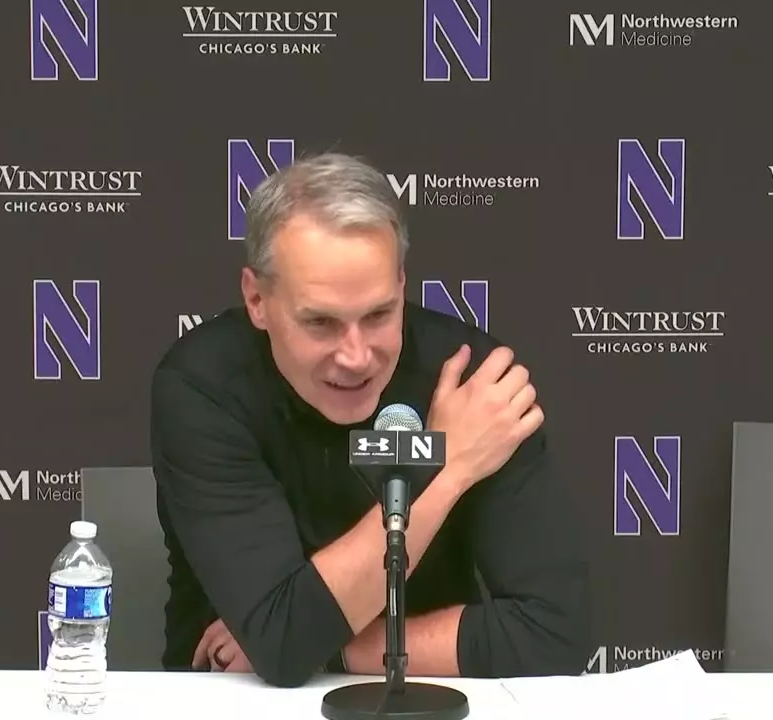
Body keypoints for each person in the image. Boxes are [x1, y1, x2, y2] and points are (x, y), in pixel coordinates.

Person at [149, 152, 591, 688]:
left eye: (379, 314)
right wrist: (448, 465)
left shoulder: (473, 387)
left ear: (402, 284)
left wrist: (329, 650)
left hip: (427, 695)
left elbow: (556, 633)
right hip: (233, 698)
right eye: (321, 322)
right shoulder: (203, 387)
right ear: (257, 299)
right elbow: (283, 642)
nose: (357, 357)